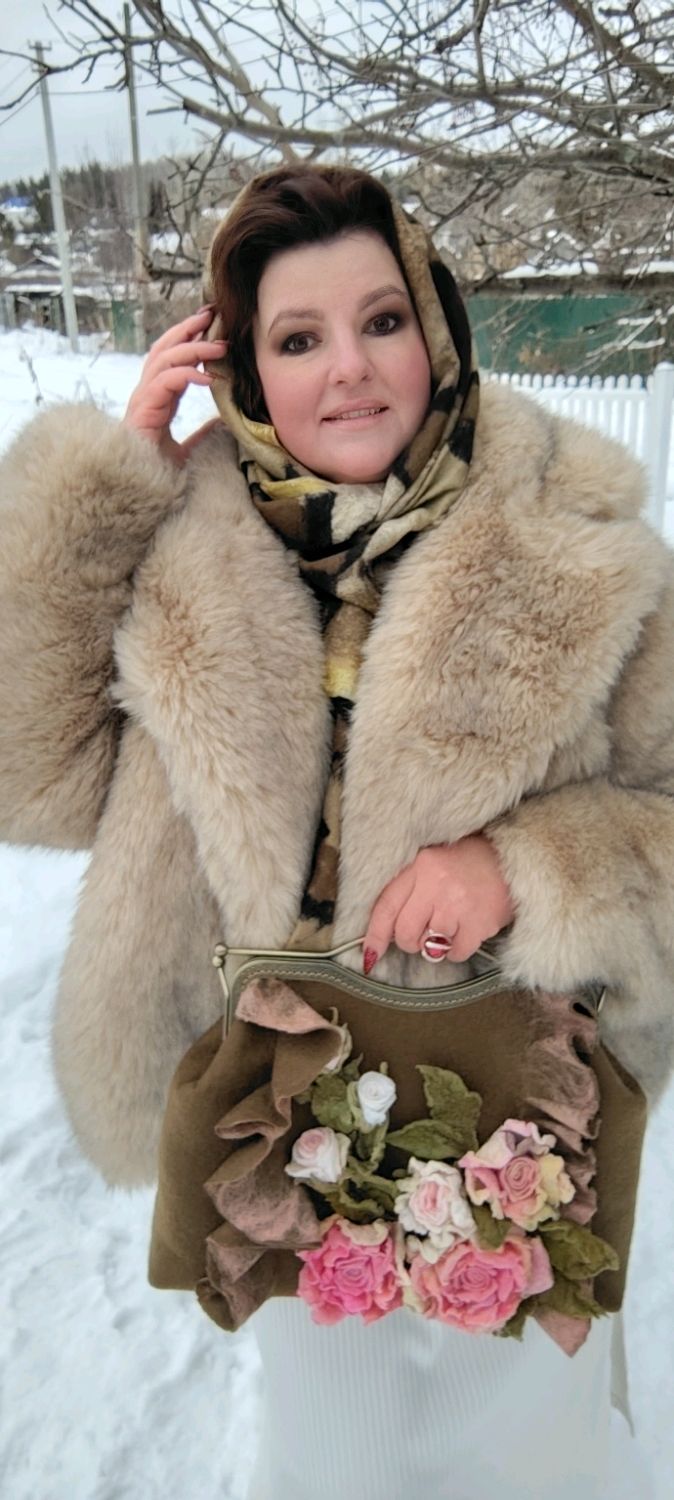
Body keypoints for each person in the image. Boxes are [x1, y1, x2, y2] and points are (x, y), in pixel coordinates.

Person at [0, 163, 671, 1500]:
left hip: (513, 1122)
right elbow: (33, 778)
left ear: (437, 329)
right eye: (297, 338)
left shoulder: (579, 543)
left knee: (533, 1460)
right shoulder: (172, 548)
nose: (349, 368)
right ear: (245, 370)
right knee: (336, 1462)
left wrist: (523, 867)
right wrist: (106, 500)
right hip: (279, 1126)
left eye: (381, 320)